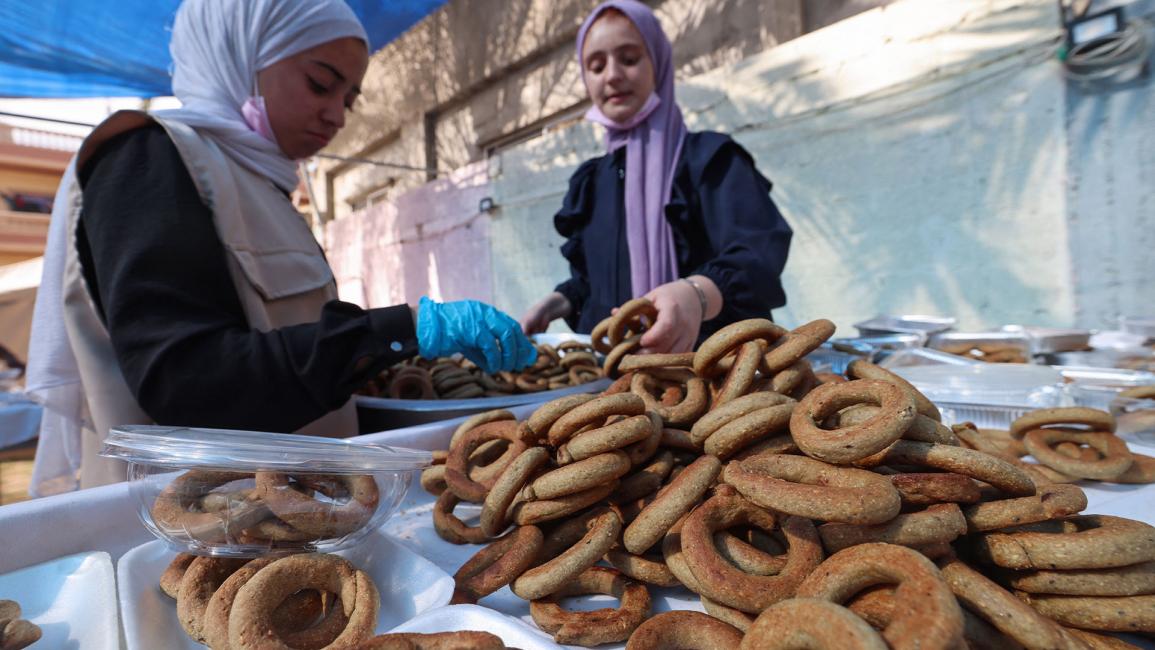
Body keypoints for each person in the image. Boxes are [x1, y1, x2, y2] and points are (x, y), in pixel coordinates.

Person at [24, 0, 534, 496]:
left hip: (299, 521)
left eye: (350, 100)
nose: (337, 116)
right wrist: (399, 330)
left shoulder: (262, 186)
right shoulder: (147, 159)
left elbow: (288, 344)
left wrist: (388, 361)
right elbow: (189, 383)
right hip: (196, 536)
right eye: (320, 84)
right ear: (243, 58)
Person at [520, 0, 792, 354]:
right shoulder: (589, 183)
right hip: (615, 383)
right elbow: (593, 281)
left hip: (720, 378)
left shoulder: (710, 160)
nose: (612, 75)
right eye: (596, 66)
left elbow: (758, 254)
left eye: (630, 59)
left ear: (658, 64)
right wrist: (557, 302)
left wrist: (698, 293)